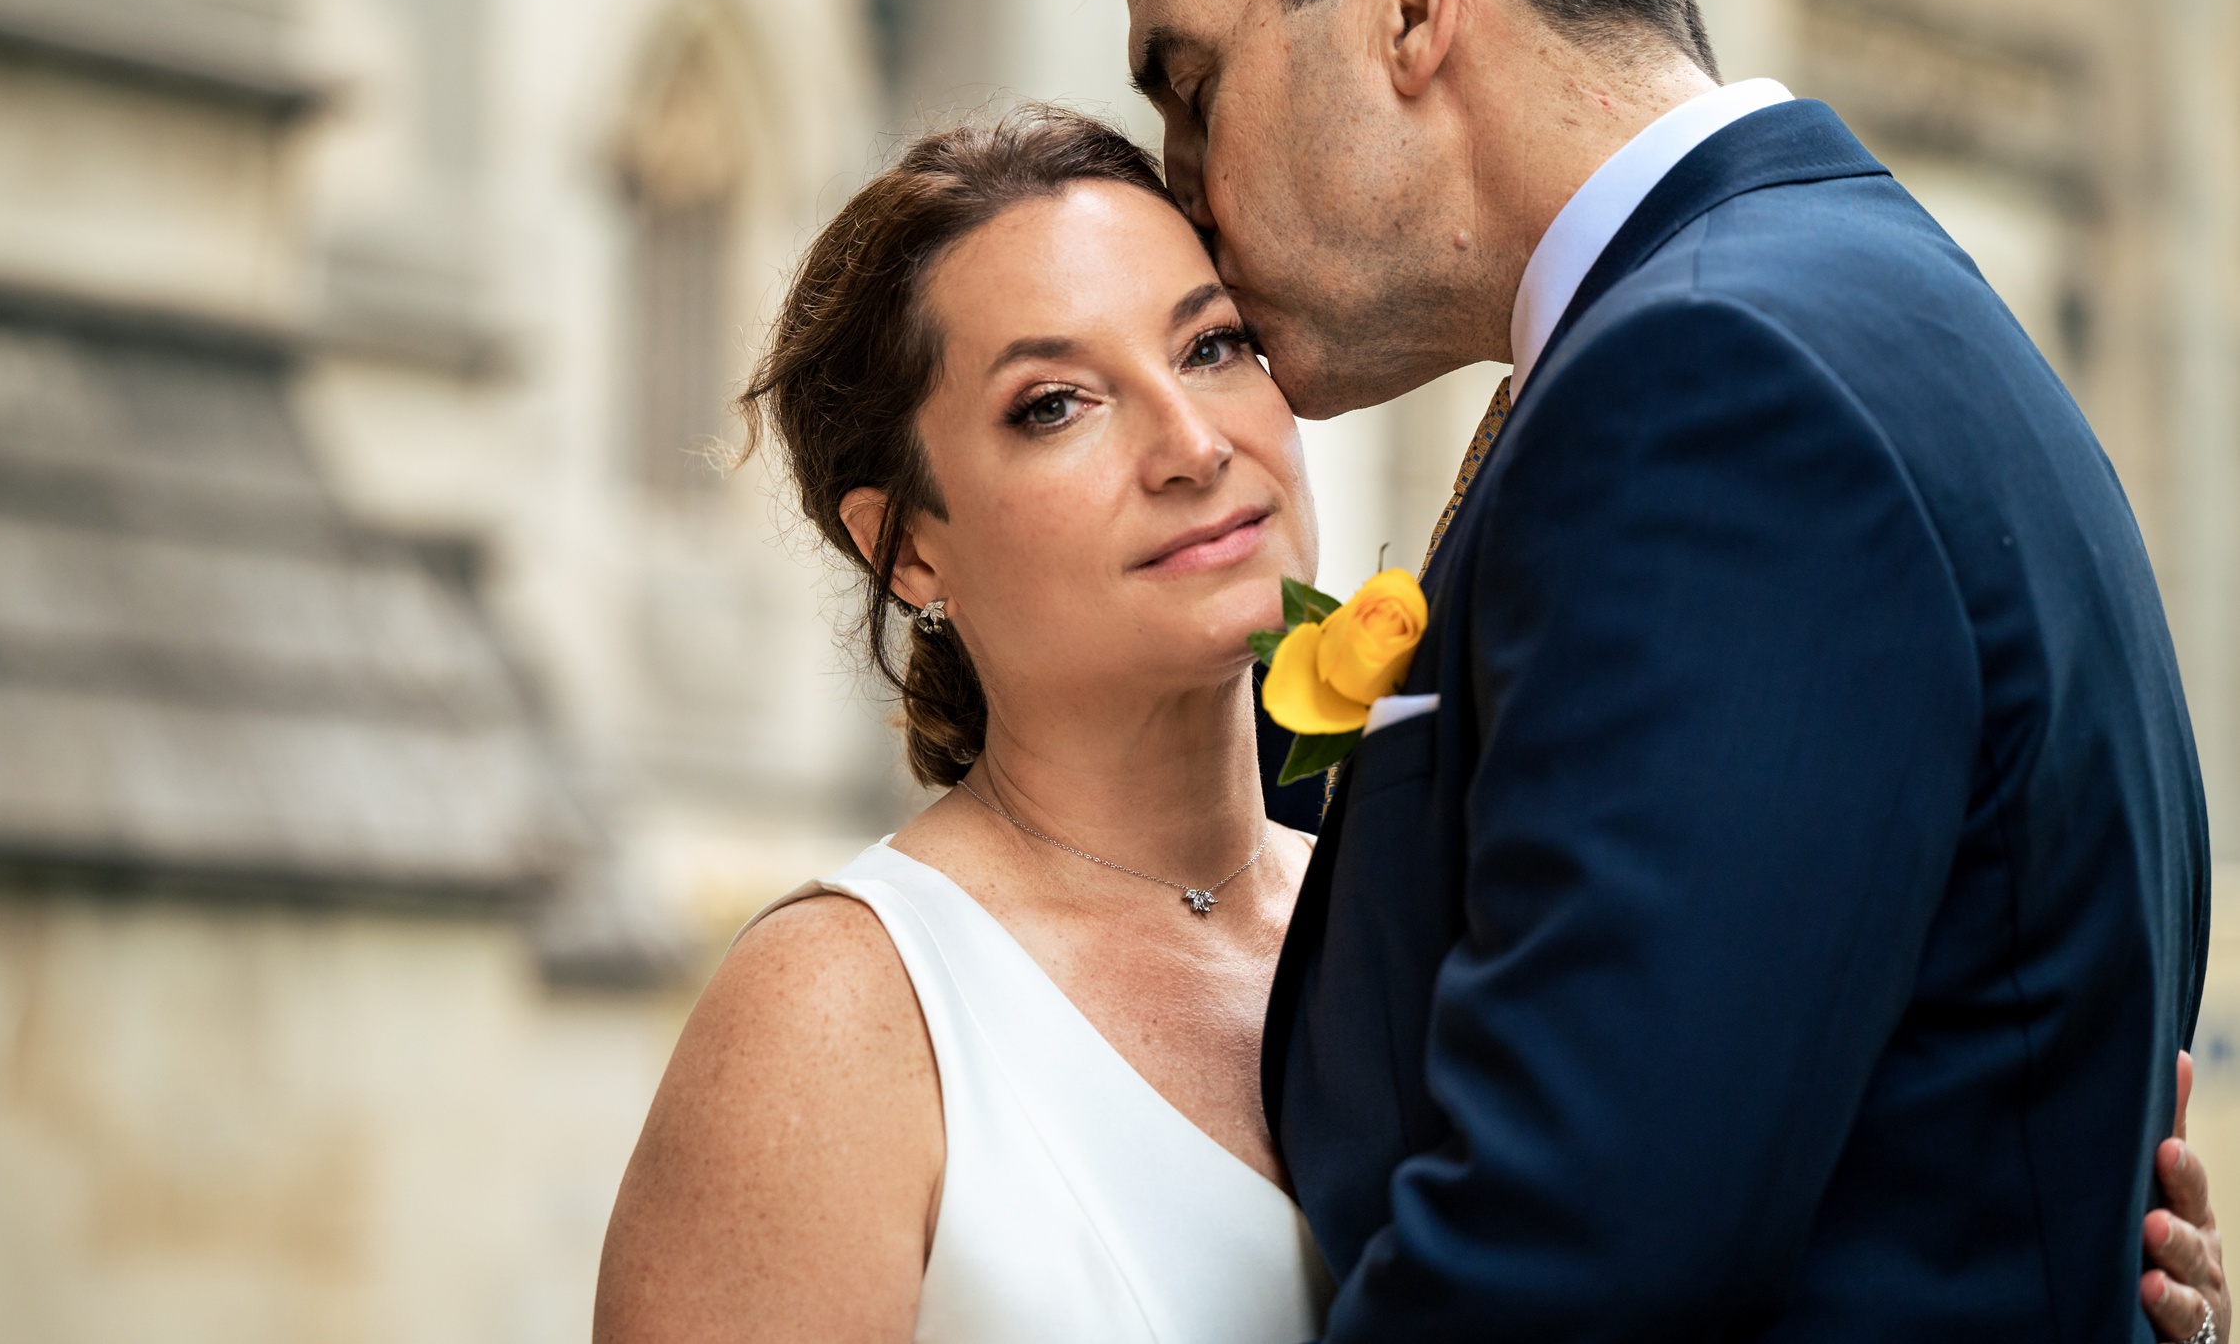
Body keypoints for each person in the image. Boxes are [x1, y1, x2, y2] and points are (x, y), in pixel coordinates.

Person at [591, 110, 2225, 1343]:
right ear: (909, 542)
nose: (1192, 442)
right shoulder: (842, 1011)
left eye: (1214, 345)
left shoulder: (1446, 911)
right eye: (1055, 403)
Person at [1106, 0, 2220, 1340]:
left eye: (1192, 88)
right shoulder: (1862, 302)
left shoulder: (1709, 391)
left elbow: (1566, 1269)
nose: (1182, 183)